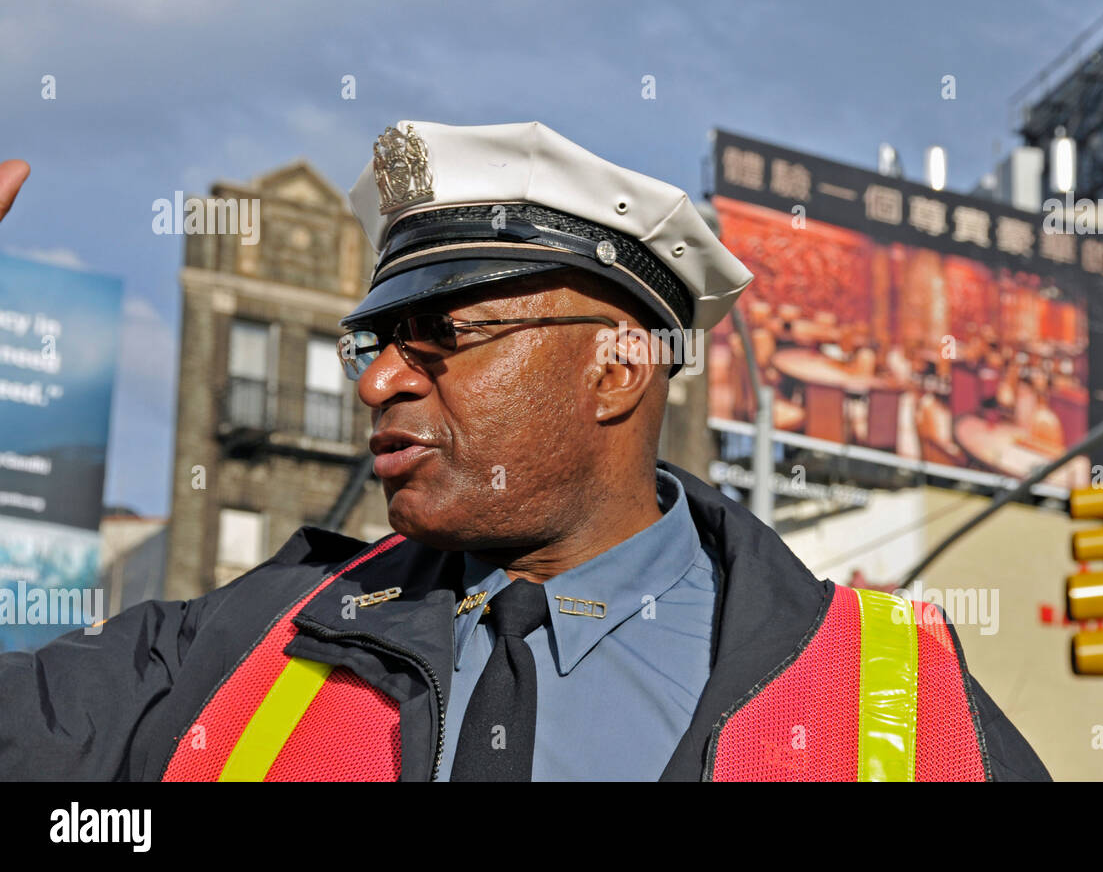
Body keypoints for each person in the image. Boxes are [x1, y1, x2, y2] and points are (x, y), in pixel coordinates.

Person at [0, 124, 1049, 781]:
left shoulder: (895, 698)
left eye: (444, 336)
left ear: (618, 370)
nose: (378, 381)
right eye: (374, 342)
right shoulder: (248, 633)